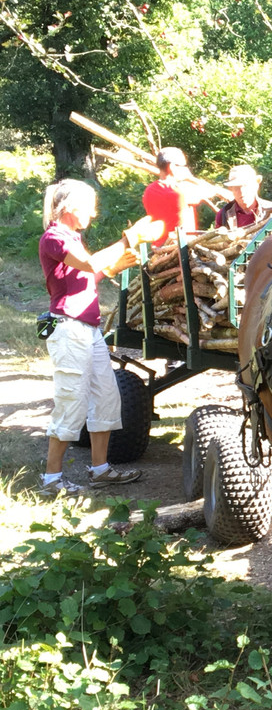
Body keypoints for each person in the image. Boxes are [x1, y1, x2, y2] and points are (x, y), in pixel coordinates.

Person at [39, 179, 164, 496]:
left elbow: (85, 276)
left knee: (107, 397)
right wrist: (127, 239)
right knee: (71, 401)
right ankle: (52, 480)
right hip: (68, 328)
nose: (93, 214)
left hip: (88, 329)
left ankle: (100, 470)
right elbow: (89, 263)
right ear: (69, 208)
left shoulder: (73, 237)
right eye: (89, 207)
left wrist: (113, 267)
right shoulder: (53, 237)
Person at [142, 147, 230, 247]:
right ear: (172, 167)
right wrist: (189, 178)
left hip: (159, 247)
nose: (187, 169)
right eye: (183, 166)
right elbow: (211, 191)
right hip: (181, 248)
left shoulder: (148, 190)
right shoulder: (180, 190)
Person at [214, 164, 272, 230]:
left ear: (256, 185)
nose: (242, 191)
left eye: (245, 186)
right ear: (230, 189)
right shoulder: (223, 215)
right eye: (236, 188)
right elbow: (217, 240)